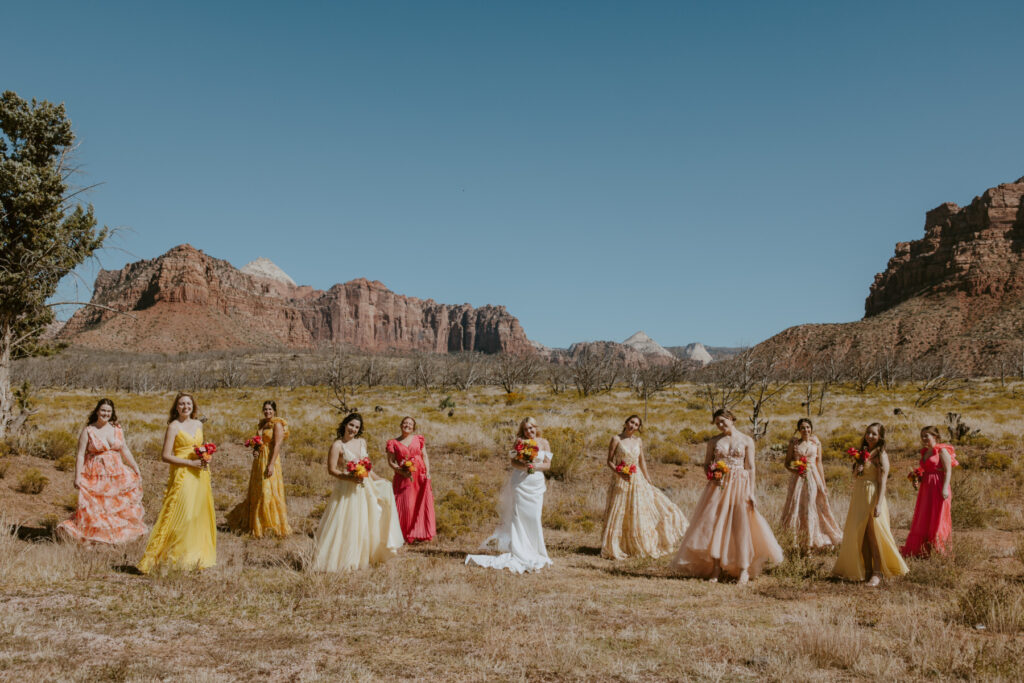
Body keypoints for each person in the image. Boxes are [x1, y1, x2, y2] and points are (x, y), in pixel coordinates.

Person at [669, 409, 782, 583]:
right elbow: (707, 464)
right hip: (718, 486)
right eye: (717, 423)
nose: (721, 425)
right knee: (715, 525)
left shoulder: (746, 440)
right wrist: (713, 474)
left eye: (723, 421)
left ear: (731, 419)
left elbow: (751, 467)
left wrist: (751, 492)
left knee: (741, 526)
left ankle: (744, 568)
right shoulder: (714, 441)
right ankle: (716, 568)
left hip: (740, 485)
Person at [311, 413, 403, 571]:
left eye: (357, 427)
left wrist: (381, 480)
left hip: (365, 488)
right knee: (347, 522)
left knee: (364, 522)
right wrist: (350, 478)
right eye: (351, 425)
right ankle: (342, 559)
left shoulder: (362, 442)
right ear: (345, 424)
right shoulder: (337, 445)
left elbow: (368, 469)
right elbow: (331, 470)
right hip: (347, 488)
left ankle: (362, 557)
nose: (353, 429)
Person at [137, 393, 216, 573]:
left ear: (193, 406)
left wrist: (206, 456)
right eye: (181, 404)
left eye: (188, 403)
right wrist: (189, 463)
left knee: (197, 514)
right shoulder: (173, 427)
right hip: (182, 473)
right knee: (183, 514)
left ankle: (192, 557)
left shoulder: (198, 424)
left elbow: (200, 447)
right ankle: (170, 556)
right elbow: (165, 456)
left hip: (200, 473)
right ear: (176, 407)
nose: (185, 406)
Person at [466, 417, 553, 573]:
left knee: (534, 517)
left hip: (536, 484)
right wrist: (524, 466)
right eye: (526, 429)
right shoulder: (519, 442)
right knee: (519, 517)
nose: (529, 431)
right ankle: (519, 550)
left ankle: (535, 550)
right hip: (520, 483)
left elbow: (547, 465)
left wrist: (534, 466)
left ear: (535, 427)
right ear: (522, 430)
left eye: (531, 428)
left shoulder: (544, 442)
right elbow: (513, 462)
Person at [57, 398, 147, 544]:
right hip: (95, 475)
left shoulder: (117, 428)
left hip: (116, 474)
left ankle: (112, 538)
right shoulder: (89, 430)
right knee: (96, 507)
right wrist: (77, 476)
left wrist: (135, 467)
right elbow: (80, 455)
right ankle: (92, 538)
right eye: (103, 410)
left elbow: (124, 449)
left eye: (109, 411)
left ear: (112, 413)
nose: (106, 413)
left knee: (114, 506)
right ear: (97, 411)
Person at [600, 414, 688, 559]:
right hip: (620, 479)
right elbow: (609, 461)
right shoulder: (616, 439)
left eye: (636, 425)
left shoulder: (638, 441)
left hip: (637, 478)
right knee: (621, 510)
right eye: (631, 422)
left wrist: (648, 479)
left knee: (640, 509)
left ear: (638, 428)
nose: (633, 426)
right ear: (626, 422)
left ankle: (638, 545)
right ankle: (619, 545)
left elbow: (642, 462)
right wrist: (619, 472)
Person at [833, 423, 908, 584]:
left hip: (872, 494)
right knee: (862, 535)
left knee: (874, 534)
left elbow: (883, 482)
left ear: (880, 437)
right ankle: (867, 569)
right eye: (868, 433)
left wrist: (878, 504)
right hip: (859, 494)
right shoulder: (863, 452)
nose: (870, 436)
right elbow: (855, 476)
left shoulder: (881, 455)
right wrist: (858, 467)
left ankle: (877, 571)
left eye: (874, 434)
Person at [226, 400, 292, 538]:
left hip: (270, 459)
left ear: (274, 410)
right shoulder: (262, 424)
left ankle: (270, 525)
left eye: (270, 409)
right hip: (259, 461)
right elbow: (258, 442)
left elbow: (277, 445)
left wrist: (271, 464)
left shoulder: (277, 424)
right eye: (265, 409)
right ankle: (257, 524)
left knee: (266, 491)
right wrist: (255, 450)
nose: (267, 412)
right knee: (257, 490)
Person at [778, 418, 842, 550]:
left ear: (811, 428)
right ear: (799, 430)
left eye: (808, 427)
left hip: (814, 477)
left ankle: (812, 540)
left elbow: (819, 463)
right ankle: (798, 540)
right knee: (797, 506)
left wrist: (823, 484)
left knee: (812, 506)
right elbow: (787, 463)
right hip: (798, 479)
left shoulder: (816, 443)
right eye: (802, 428)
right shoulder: (794, 443)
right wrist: (795, 470)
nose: (805, 430)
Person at [901, 425, 957, 557]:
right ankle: (923, 549)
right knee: (925, 515)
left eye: (927, 435)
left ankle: (939, 551)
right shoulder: (925, 452)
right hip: (926, 488)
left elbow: (948, 471)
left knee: (937, 516)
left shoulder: (942, 451)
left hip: (938, 486)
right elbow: (926, 470)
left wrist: (944, 488)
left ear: (935, 436)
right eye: (922, 436)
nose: (924, 438)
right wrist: (917, 478)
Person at [385, 416, 436, 543]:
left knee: (419, 502)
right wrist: (401, 471)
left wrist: (428, 472)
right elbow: (391, 462)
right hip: (403, 477)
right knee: (406, 505)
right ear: (401, 425)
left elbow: (425, 456)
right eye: (405, 423)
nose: (407, 425)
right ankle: (403, 534)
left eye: (410, 424)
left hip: (420, 475)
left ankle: (419, 532)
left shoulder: (418, 439)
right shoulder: (393, 442)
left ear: (413, 427)